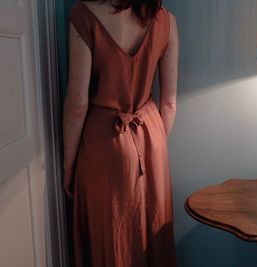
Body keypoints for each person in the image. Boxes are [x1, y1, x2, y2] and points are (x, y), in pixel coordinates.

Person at [62, 0, 178, 266]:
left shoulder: (84, 14)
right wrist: (152, 150)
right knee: (151, 233)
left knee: (111, 237)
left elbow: (77, 105)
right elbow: (169, 104)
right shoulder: (168, 21)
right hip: (151, 140)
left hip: (103, 145)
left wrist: (68, 166)